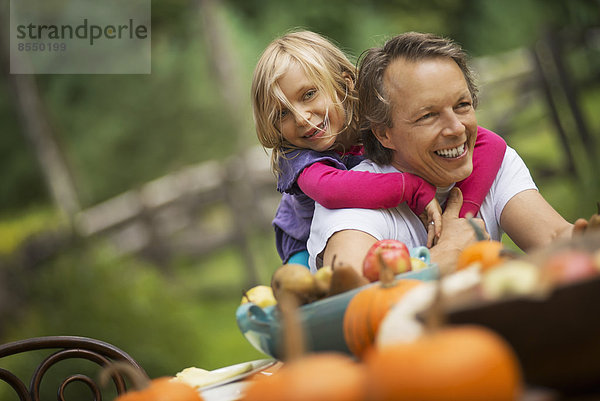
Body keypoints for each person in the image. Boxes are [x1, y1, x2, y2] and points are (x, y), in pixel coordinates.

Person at [307, 31, 582, 274]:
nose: (456, 128)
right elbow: (356, 302)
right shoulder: (352, 209)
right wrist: (443, 257)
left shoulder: (493, 164)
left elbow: (556, 238)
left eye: (462, 105)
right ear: (383, 133)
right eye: (428, 115)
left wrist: (585, 237)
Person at [251, 30, 507, 268]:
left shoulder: (375, 122)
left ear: (345, 83)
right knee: (308, 291)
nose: (301, 118)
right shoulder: (295, 155)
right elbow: (332, 190)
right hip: (303, 240)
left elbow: (490, 144)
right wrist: (411, 188)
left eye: (308, 95)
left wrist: (459, 216)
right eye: (283, 113)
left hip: (374, 229)